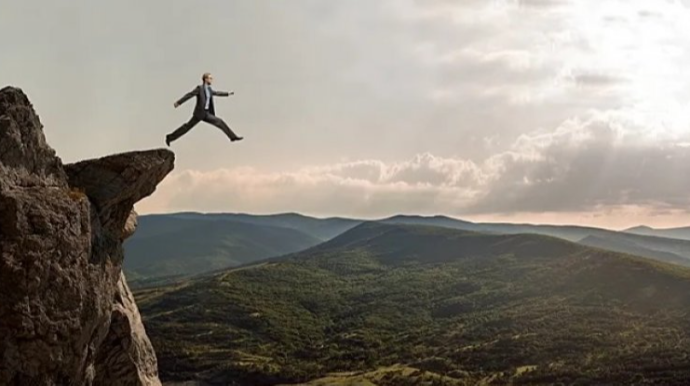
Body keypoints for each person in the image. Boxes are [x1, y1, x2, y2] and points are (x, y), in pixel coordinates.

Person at [166, 72, 243, 146]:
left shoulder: (209, 90)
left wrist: (227, 94)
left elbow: (217, 93)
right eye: (210, 78)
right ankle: (169, 137)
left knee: (220, 121)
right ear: (205, 79)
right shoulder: (199, 88)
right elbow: (189, 95)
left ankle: (233, 137)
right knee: (186, 127)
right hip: (199, 114)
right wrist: (179, 102)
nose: (211, 80)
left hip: (207, 114)